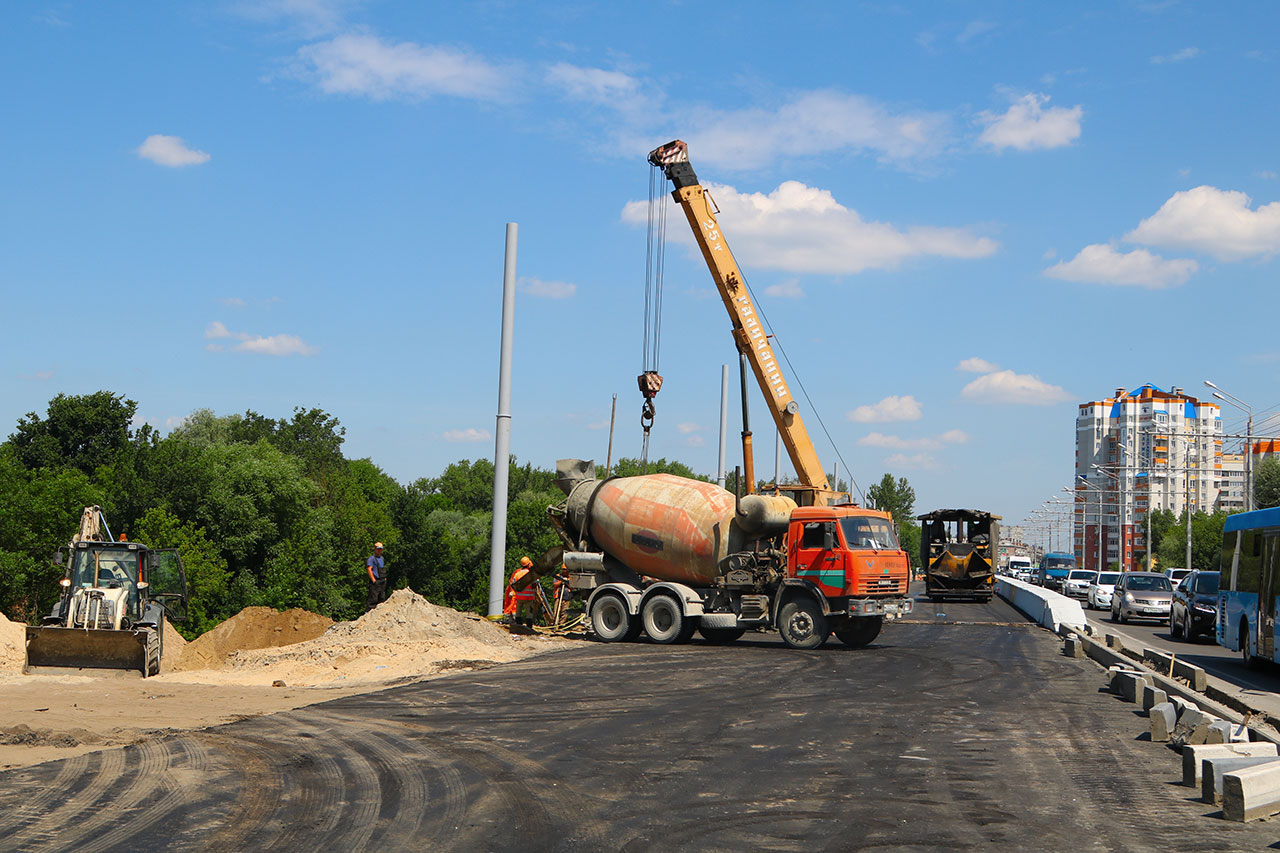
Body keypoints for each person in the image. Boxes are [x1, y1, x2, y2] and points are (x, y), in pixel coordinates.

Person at [507, 556, 537, 626]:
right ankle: (529, 627)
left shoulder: (517, 574)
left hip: (519, 597)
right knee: (529, 614)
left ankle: (518, 626)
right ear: (529, 564)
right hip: (528, 598)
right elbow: (534, 585)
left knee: (518, 613)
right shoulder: (531, 574)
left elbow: (513, 584)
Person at [365, 542, 386, 613]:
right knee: (373, 599)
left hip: (382, 581)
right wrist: (374, 580)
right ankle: (369, 614)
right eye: (378, 549)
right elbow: (369, 569)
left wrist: (384, 578)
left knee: (382, 598)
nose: (379, 550)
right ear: (375, 549)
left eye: (381, 549)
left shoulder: (382, 558)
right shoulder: (371, 559)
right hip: (375, 581)